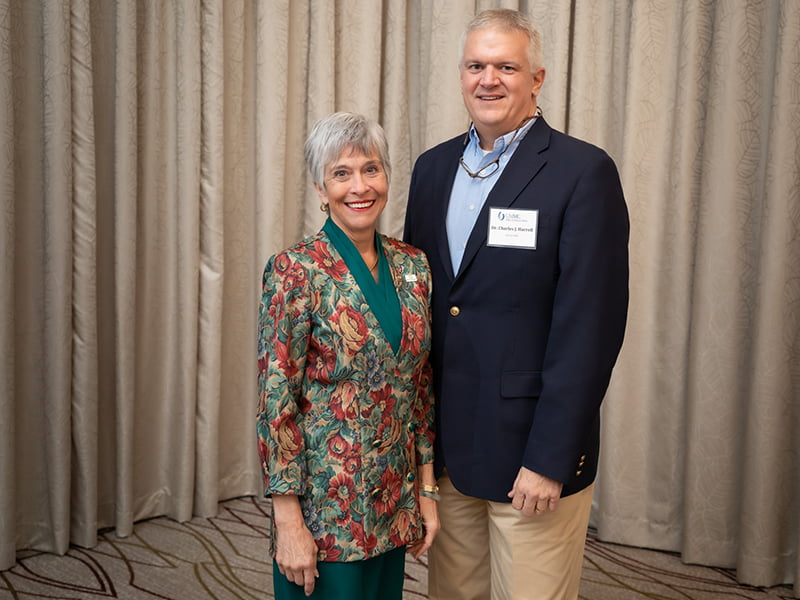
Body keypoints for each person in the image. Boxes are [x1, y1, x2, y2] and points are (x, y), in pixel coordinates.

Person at [403, 9, 629, 600]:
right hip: (450, 449)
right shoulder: (431, 170)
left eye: (507, 66)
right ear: (460, 75)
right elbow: (425, 309)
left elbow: (591, 329)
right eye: (477, 65)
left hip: (532, 454)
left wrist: (552, 457)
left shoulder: (583, 173)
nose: (489, 79)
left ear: (538, 78)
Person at [258, 112, 439, 599]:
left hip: (393, 503)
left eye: (371, 169)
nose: (359, 186)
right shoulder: (294, 270)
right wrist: (289, 522)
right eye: (342, 173)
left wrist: (426, 490)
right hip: (326, 514)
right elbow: (277, 404)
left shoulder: (414, 266)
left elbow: (420, 387)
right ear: (321, 187)